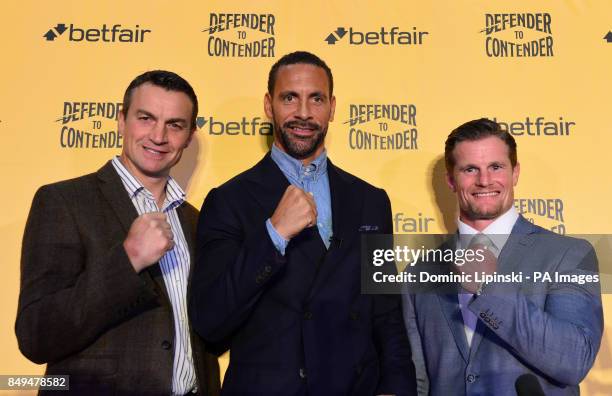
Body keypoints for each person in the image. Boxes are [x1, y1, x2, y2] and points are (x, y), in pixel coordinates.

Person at [189, 51, 417, 395]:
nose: (304, 113)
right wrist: (273, 234)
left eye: (316, 99)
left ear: (333, 107)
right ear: (269, 105)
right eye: (289, 98)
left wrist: (396, 389)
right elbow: (211, 319)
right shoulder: (228, 200)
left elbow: (386, 313)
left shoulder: (370, 201)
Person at [16, 70, 220, 395]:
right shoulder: (64, 202)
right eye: (146, 118)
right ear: (122, 120)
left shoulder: (197, 222)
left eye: (175, 124)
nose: (158, 135)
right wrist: (128, 260)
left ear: (189, 135)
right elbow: (36, 335)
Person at [402, 118, 603, 395]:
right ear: (450, 180)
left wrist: (489, 287)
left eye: (496, 167)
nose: (484, 180)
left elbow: (572, 359)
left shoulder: (568, 254)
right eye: (470, 169)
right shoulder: (418, 273)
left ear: (515, 173)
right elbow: (418, 382)